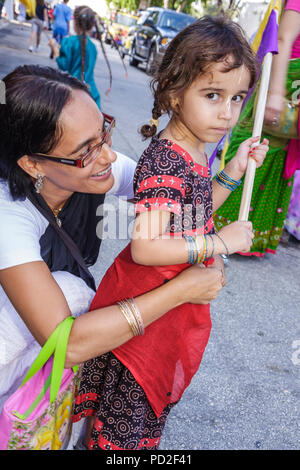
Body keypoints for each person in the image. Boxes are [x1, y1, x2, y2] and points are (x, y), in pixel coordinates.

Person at [0, 65, 224, 448]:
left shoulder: (97, 168)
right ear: (32, 164)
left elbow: (175, 205)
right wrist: (182, 290)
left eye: (103, 132)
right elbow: (66, 344)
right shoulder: (9, 214)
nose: (106, 156)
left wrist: (227, 180)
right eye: (85, 151)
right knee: (74, 296)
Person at [72, 16, 269, 450]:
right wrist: (221, 243)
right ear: (174, 93)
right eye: (213, 95)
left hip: (166, 308)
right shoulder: (166, 160)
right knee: (126, 425)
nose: (227, 112)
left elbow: (192, 215)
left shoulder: (194, 148)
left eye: (237, 98)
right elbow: (146, 246)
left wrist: (232, 172)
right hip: (143, 315)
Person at [214, 0, 300, 257]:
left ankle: (250, 237)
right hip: (284, 82)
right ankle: (219, 229)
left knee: (274, 159)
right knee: (251, 149)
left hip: (292, 87)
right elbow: (283, 39)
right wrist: (274, 92)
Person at [49, 6, 101, 109]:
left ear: (75, 23)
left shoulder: (69, 42)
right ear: (91, 26)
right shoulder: (93, 47)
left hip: (73, 92)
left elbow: (63, 65)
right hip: (92, 94)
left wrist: (54, 48)